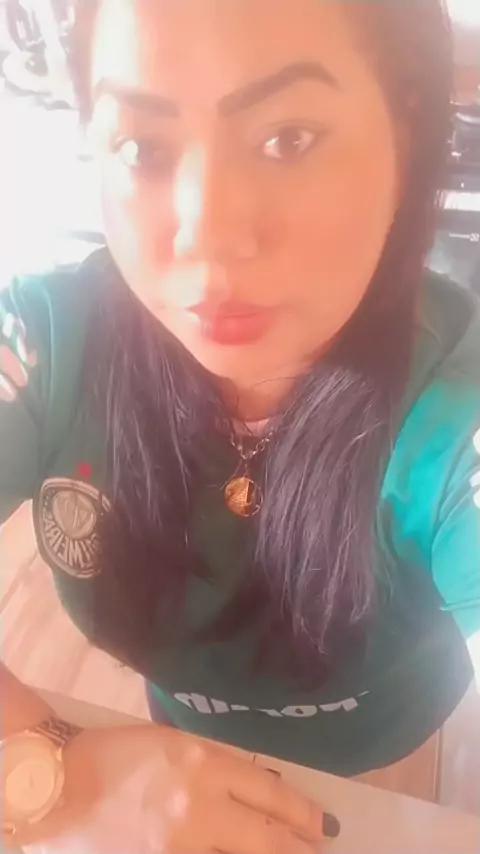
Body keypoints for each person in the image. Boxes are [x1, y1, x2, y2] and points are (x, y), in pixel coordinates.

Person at [1, 0, 479, 851]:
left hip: (386, 756)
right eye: (142, 148)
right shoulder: (41, 345)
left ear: (404, 139)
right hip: (177, 732)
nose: (208, 237)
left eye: (288, 138)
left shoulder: (454, 406)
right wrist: (42, 768)